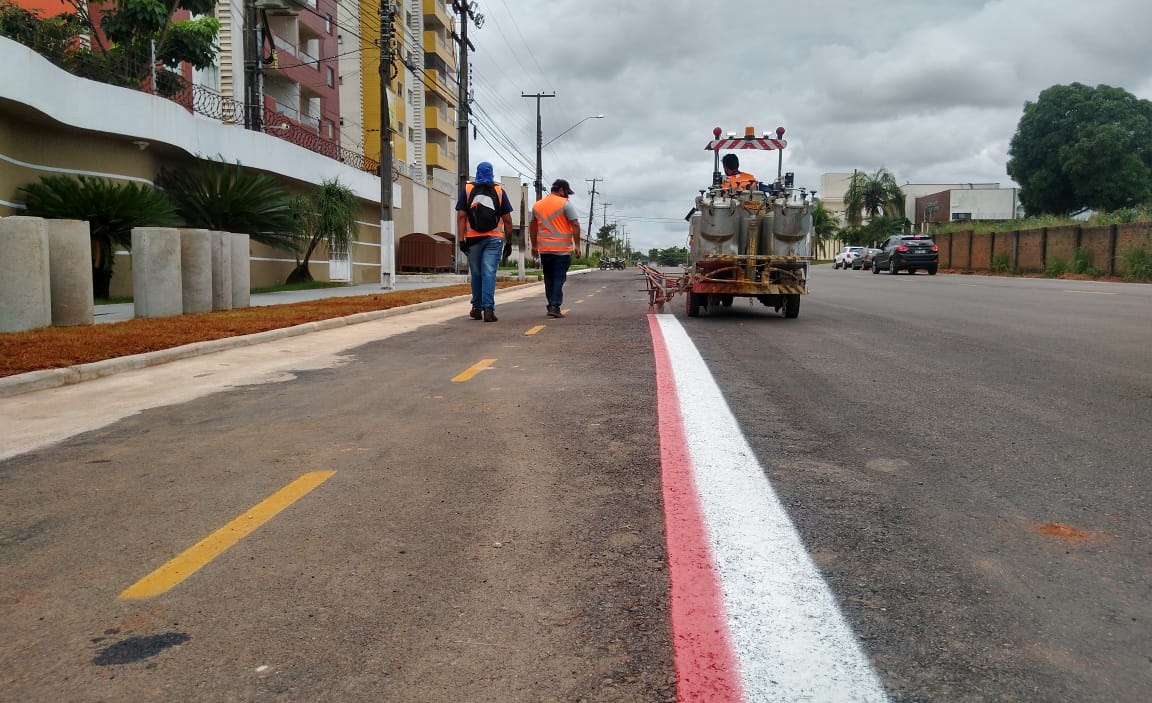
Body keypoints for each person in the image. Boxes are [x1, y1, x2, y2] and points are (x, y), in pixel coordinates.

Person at [456, 161, 514, 322]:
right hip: (494, 239)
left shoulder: (467, 190)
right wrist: (509, 242)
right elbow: (508, 221)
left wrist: (461, 240)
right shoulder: (499, 190)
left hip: (473, 239)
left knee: (476, 274)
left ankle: (476, 307)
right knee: (489, 273)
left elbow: (461, 216)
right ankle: (488, 309)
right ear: (492, 173)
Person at [530, 179, 582, 318]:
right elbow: (575, 225)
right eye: (567, 192)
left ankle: (551, 304)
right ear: (560, 190)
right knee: (559, 278)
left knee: (549, 278)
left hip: (545, 250)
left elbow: (532, 226)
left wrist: (534, 245)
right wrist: (577, 245)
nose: (568, 196)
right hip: (562, 250)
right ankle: (554, 305)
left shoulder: (537, 205)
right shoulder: (565, 204)